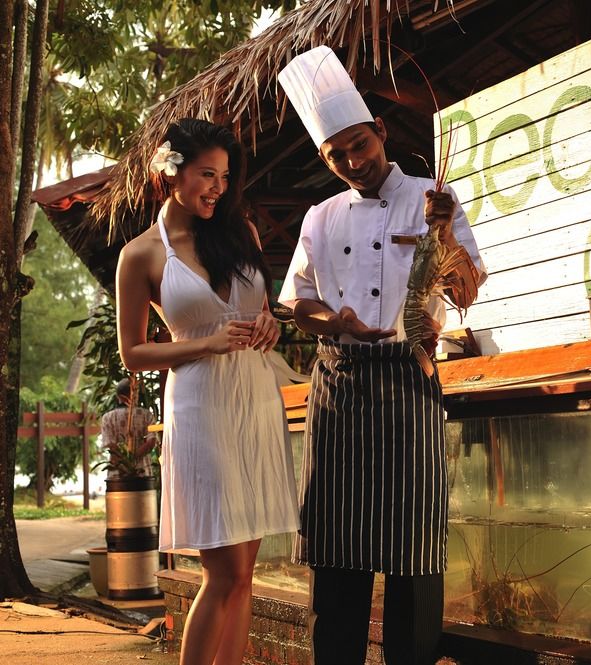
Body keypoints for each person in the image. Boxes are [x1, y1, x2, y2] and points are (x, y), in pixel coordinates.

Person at [276, 46, 486, 665]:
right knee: (336, 557)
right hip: (338, 386)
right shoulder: (320, 217)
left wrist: (443, 230)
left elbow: (466, 290)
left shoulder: (432, 197)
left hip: (407, 380)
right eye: (337, 155)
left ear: (381, 132)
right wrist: (334, 319)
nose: (353, 162)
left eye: (359, 145)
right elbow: (298, 303)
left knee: (412, 554)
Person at [115, 118, 299, 665]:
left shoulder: (241, 234)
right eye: (206, 174)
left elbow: (260, 312)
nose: (218, 188)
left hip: (255, 399)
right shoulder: (142, 254)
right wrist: (207, 344)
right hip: (201, 406)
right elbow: (133, 354)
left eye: (224, 176)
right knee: (222, 571)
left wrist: (269, 324)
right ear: (170, 172)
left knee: (245, 574)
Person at [100, 377, 158, 479]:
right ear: (135, 394)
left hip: (117, 476)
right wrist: (133, 459)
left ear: (118, 396)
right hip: (143, 474)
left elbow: (111, 446)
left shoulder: (108, 418)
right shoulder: (147, 415)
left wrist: (126, 461)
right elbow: (151, 441)